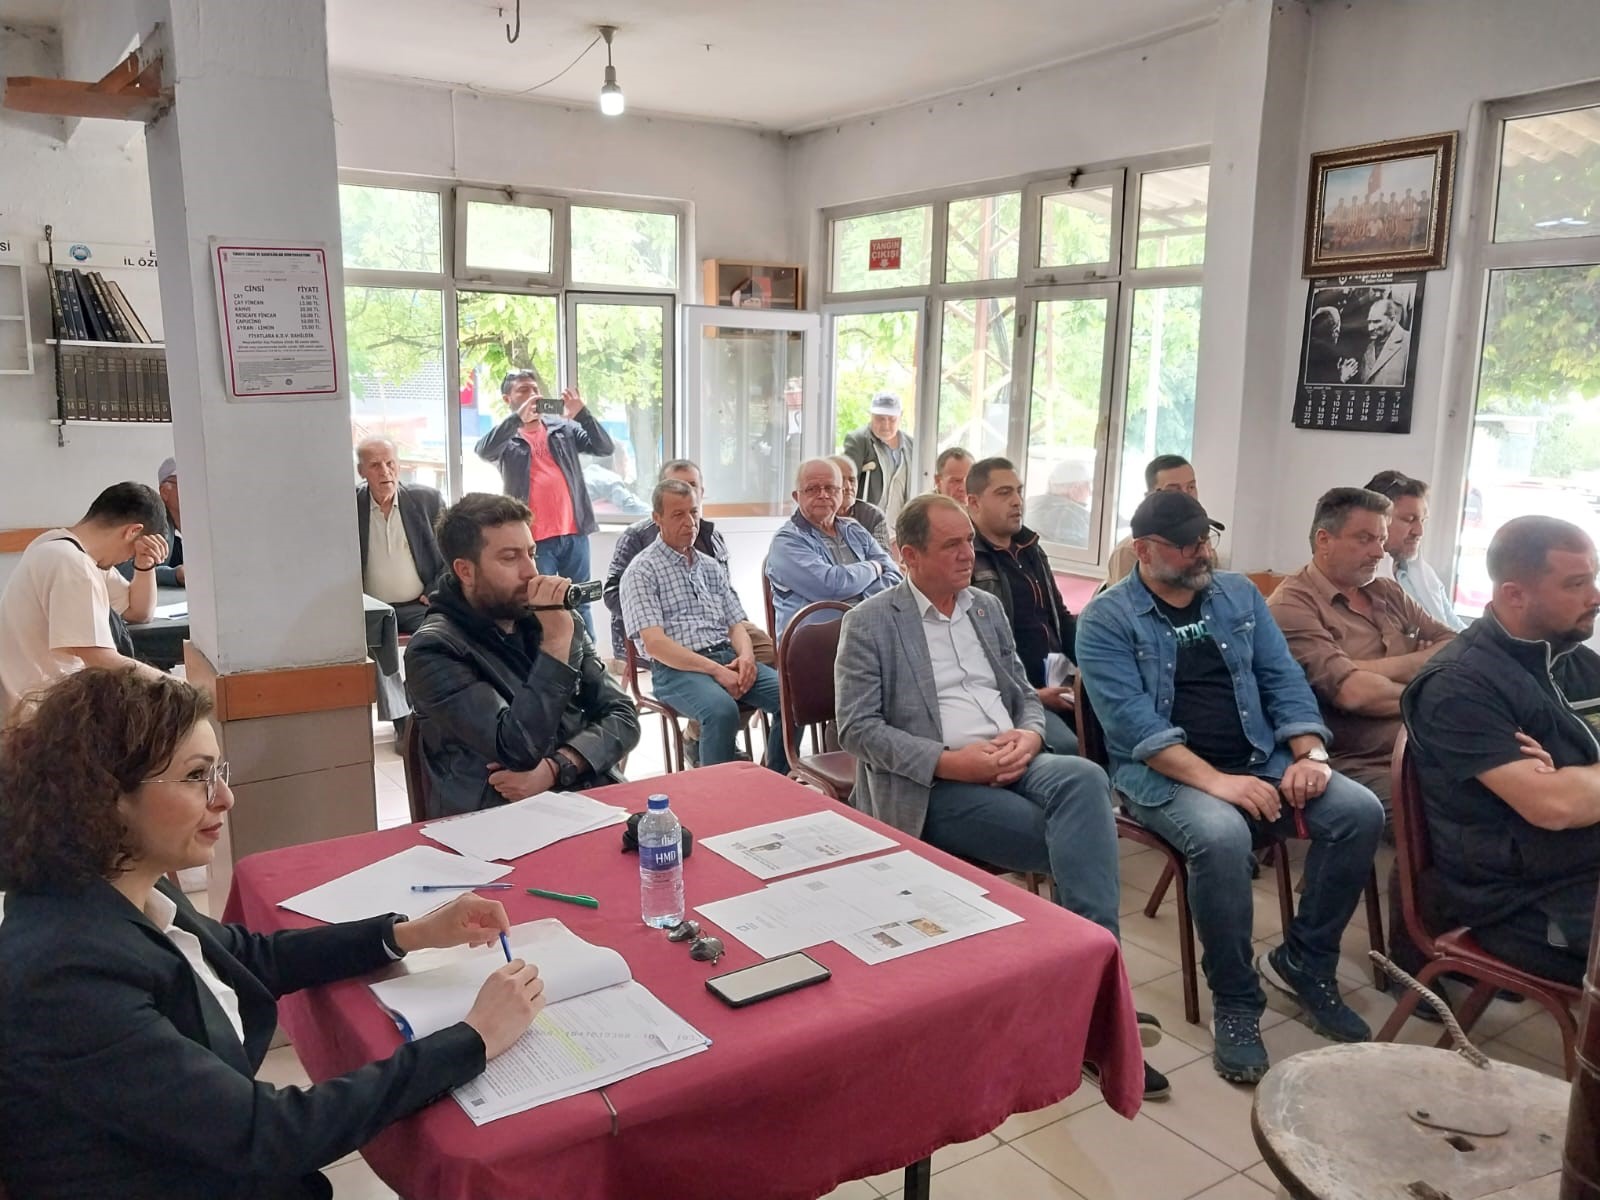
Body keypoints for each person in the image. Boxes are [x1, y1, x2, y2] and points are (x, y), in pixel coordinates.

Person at [0, 668, 545, 1200]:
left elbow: (244, 955)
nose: (224, 799)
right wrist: (473, 1038)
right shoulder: (66, 974)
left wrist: (408, 935)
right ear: (105, 795)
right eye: (196, 777)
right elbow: (266, 1134)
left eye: (218, 772)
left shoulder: (115, 878)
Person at [834, 494, 1169, 1100]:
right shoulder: (872, 623)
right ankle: (1096, 1010)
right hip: (933, 783)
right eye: (952, 546)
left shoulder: (985, 609)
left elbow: (1021, 693)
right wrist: (948, 761)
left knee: (1087, 781)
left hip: (1013, 755)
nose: (969, 555)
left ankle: (1083, 1004)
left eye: (968, 540)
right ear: (909, 556)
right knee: (1075, 840)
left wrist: (1030, 733)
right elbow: (856, 730)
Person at [1076, 491, 1384, 1084]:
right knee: (1219, 837)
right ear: (1144, 550)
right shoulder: (1108, 619)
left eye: (1206, 540)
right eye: (1187, 545)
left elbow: (1284, 680)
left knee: (1358, 810)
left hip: (1260, 757)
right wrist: (1221, 783)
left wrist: (1310, 754)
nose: (1202, 553)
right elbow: (1134, 728)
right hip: (1164, 774)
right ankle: (1237, 1001)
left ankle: (1304, 962)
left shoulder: (1238, 594)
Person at [1403, 516, 1600, 987]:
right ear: (1515, 594)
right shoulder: (1459, 686)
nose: (1595, 596)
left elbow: (1569, 797)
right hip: (1523, 903)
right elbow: (1553, 807)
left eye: (1593, 578)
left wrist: (1576, 778)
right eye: (1576, 584)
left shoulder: (1577, 660)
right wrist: (1567, 788)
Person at [404, 494, 639, 817]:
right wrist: (556, 645)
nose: (531, 572)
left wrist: (558, 767)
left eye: (532, 553)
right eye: (510, 558)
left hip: (582, 793)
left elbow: (623, 715)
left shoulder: (550, 619)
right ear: (465, 571)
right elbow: (517, 748)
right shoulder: (434, 650)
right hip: (496, 818)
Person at [1267, 487, 1455, 810]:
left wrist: (1364, 668)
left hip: (1425, 743)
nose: (1379, 553)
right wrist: (1427, 681)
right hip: (1354, 760)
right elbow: (1354, 693)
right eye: (1365, 539)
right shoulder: (1292, 606)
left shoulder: (1388, 592)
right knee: (1453, 808)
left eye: (1381, 540)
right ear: (1324, 540)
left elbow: (1455, 646)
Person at [620, 479, 787, 774]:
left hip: (726, 656)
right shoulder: (641, 571)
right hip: (676, 670)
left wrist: (747, 658)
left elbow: (736, 623)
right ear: (657, 518)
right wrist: (716, 671)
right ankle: (715, 801)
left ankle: (776, 779)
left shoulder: (709, 566)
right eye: (678, 514)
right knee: (721, 711)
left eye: (694, 513)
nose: (689, 522)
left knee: (790, 698)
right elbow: (656, 644)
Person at [0, 482, 168, 715]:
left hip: (42, 703)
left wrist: (144, 564)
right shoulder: (71, 564)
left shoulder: (58, 545)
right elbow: (100, 659)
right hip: (38, 717)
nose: (126, 559)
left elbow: (138, 612)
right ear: (132, 532)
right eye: (132, 552)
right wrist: (172, 684)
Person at [473, 368, 614, 637]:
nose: (532, 395)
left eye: (535, 390)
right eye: (523, 391)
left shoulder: (563, 428)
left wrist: (581, 413)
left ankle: (589, 664)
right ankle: (551, 661)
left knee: (580, 600)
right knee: (542, 605)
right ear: (508, 399)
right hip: (534, 541)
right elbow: (483, 450)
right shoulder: (506, 437)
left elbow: (604, 448)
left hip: (574, 532)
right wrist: (516, 419)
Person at [603, 458, 775, 668]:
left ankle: (738, 688)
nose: (683, 491)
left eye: (691, 486)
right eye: (675, 486)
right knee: (708, 669)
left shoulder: (711, 535)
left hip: (718, 624)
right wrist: (656, 617)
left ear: (701, 492)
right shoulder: (637, 536)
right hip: (668, 627)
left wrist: (737, 627)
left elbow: (726, 592)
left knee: (769, 655)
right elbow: (612, 593)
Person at [965, 457, 1080, 755]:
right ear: (973, 502)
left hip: (1058, 681)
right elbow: (970, 651)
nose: (1017, 501)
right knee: (1069, 746)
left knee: (1120, 725)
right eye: (1004, 493)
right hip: (1011, 695)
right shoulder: (966, 560)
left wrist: (1091, 670)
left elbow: (1061, 617)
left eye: (1019, 491)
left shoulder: (1030, 549)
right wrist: (1036, 695)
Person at [766, 457, 900, 634]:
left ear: (841, 493)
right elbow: (831, 586)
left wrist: (859, 602)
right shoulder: (786, 541)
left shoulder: (854, 529)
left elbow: (895, 577)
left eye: (830, 488)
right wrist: (874, 568)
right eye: (812, 489)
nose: (823, 495)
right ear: (796, 496)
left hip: (866, 630)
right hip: (815, 642)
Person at [354, 436, 445, 637]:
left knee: (439, 640)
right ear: (361, 471)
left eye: (389, 463)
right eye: (375, 465)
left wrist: (435, 589)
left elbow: (453, 551)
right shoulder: (351, 505)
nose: (385, 471)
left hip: (419, 607)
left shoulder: (427, 500)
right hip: (370, 610)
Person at [1365, 469, 1465, 631]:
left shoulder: (1424, 575)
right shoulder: (1360, 585)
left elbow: (1456, 630)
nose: (1419, 532)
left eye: (1423, 521)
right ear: (1376, 521)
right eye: (1409, 520)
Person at [1105, 455, 1199, 586]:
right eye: (1173, 490)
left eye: (1191, 487)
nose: (1186, 496)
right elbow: (1125, 603)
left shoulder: (1202, 540)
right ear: (1150, 496)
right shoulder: (1131, 551)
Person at [841, 391, 915, 527]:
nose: (886, 425)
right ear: (871, 415)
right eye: (880, 418)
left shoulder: (912, 445)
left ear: (901, 416)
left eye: (892, 419)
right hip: (869, 525)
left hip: (901, 526)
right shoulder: (858, 440)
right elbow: (845, 481)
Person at [117, 457, 185, 586]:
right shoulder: (150, 520)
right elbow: (120, 571)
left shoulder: (178, 533)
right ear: (165, 491)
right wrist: (174, 575)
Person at [1026, 451, 1094, 548]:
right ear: (1075, 489)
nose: (1090, 493)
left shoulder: (1031, 507)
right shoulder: (1071, 518)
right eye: (1088, 486)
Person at [829, 453, 892, 552]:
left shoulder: (873, 516)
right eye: (841, 480)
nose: (849, 487)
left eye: (852, 480)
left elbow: (883, 560)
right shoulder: (813, 515)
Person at [1360, 298, 1410, 387]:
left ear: (1392, 319)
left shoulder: (1408, 342)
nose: (1370, 328)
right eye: (1369, 322)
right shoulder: (1368, 347)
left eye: (1376, 322)